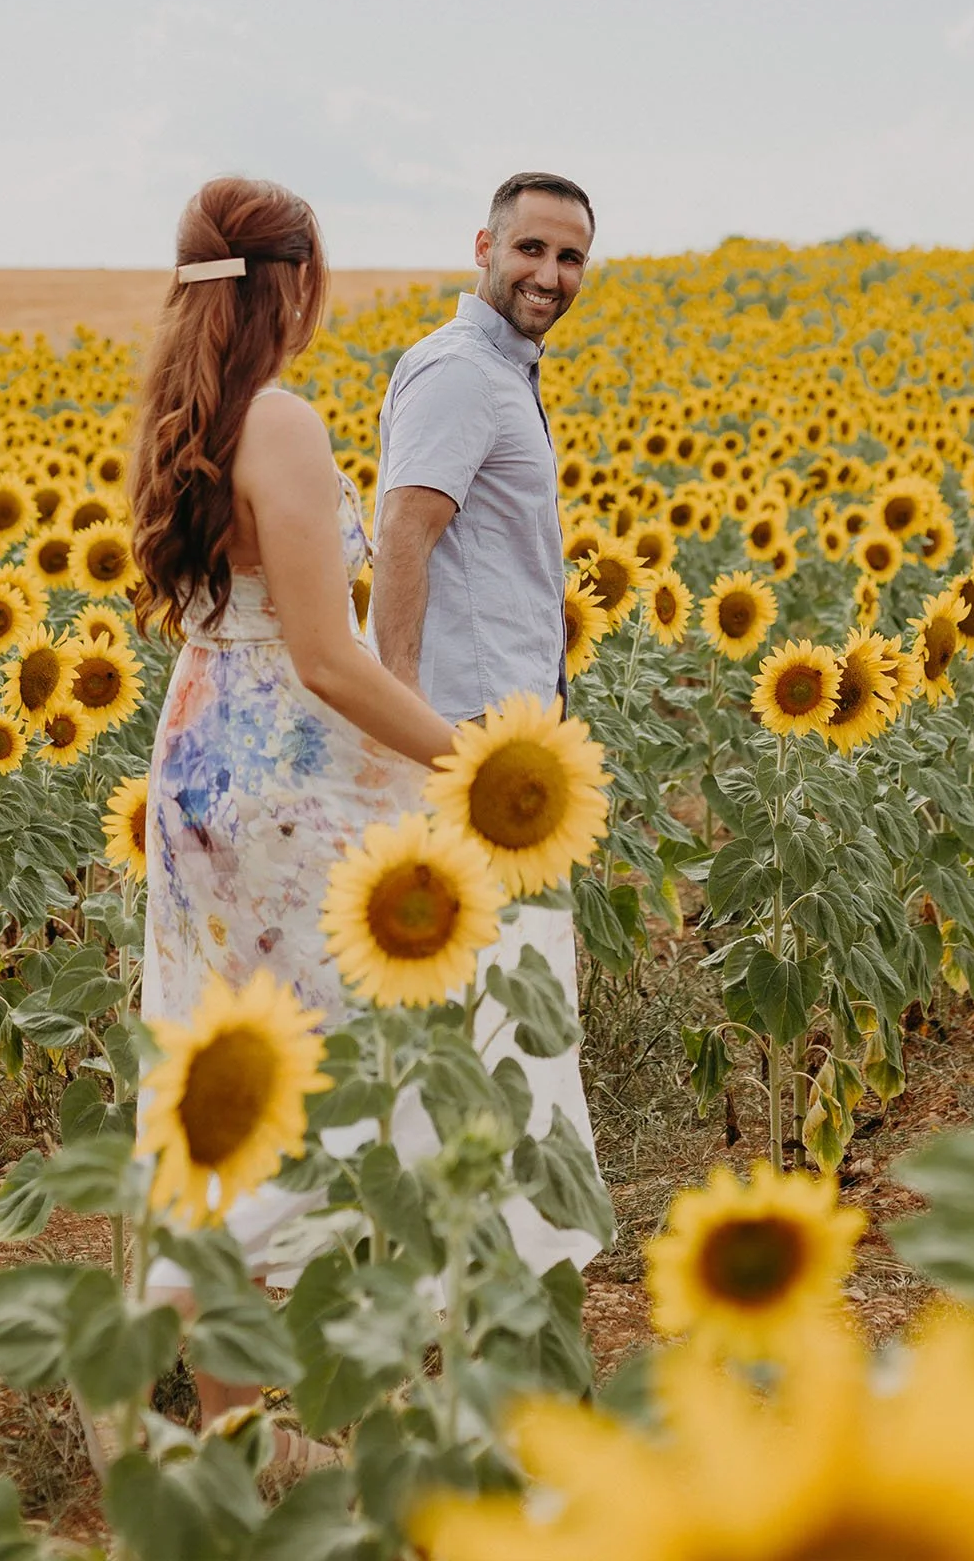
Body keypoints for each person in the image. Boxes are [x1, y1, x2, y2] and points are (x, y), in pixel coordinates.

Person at [128, 174, 459, 1441]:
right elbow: (327, 656)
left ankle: (232, 1434)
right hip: (285, 772)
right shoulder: (284, 422)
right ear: (299, 281)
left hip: (202, 754)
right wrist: (467, 757)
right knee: (325, 1075)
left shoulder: (184, 409)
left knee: (225, 1068)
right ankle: (330, 1415)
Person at [370, 169, 602, 1276]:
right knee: (482, 1008)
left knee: (504, 1000)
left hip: (504, 736)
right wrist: (405, 717)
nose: (549, 276)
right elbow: (403, 535)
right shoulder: (462, 374)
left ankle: (500, 1246)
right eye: (532, 251)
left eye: (569, 258)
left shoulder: (500, 375)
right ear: (483, 245)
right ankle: (469, 1255)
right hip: (458, 738)